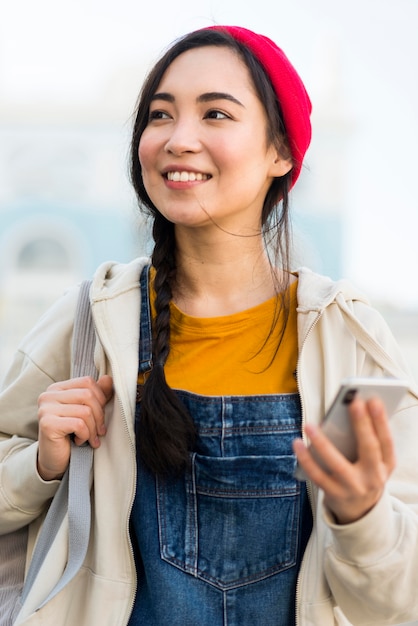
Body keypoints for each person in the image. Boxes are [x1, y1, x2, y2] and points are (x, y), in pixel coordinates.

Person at [1, 24, 418, 626]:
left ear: (281, 153)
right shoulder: (91, 320)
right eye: (160, 115)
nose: (179, 138)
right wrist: (41, 463)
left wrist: (361, 515)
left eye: (216, 114)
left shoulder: (342, 334)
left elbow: (402, 596)